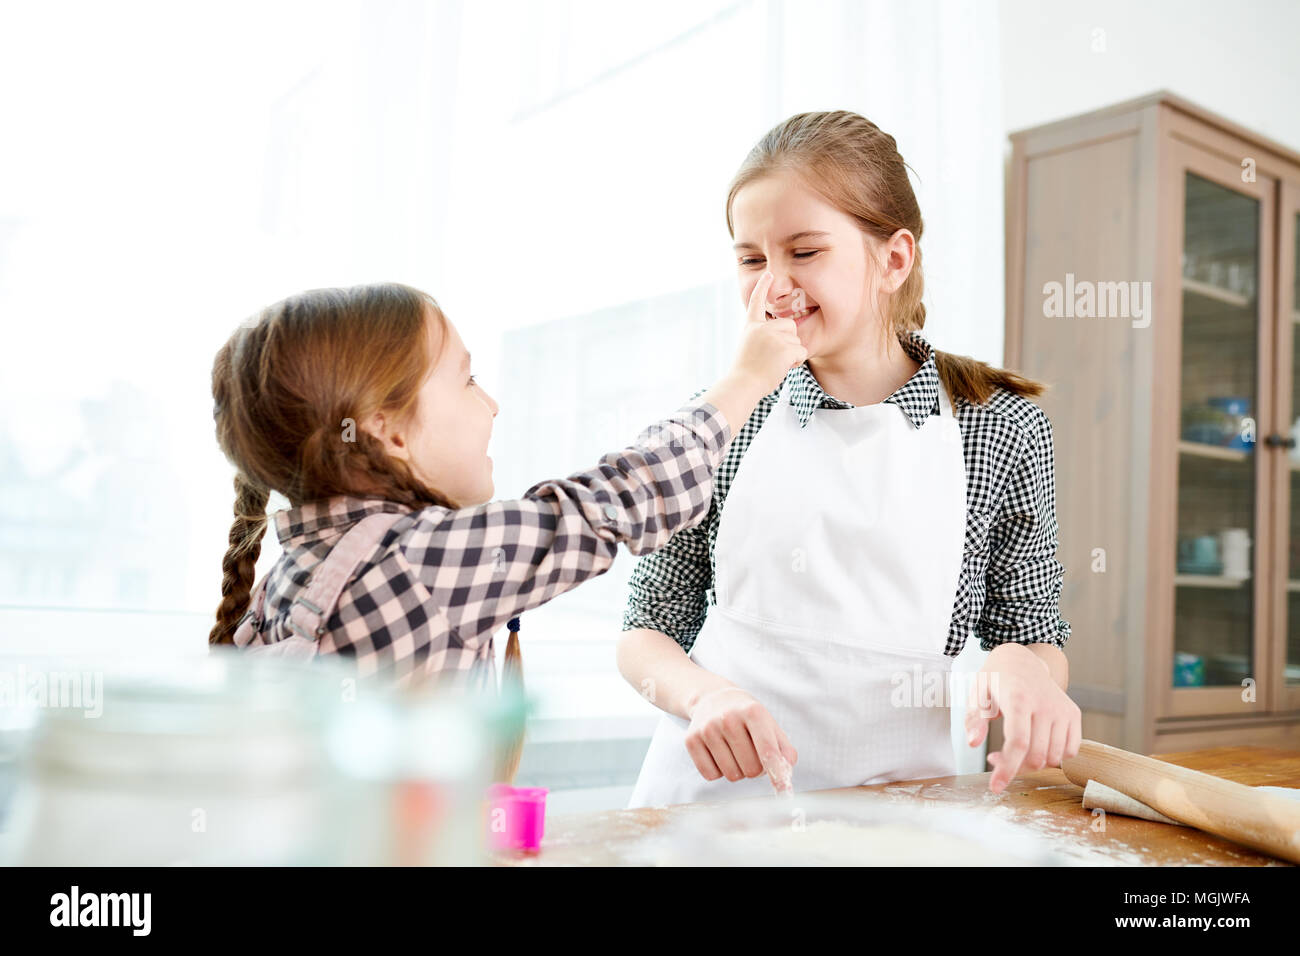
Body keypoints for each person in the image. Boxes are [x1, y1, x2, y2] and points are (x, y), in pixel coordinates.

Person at [619, 111, 1082, 805]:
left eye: (804, 252)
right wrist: (705, 697)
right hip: (710, 811)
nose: (771, 287)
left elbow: (1031, 633)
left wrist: (1024, 670)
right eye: (751, 259)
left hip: (897, 816)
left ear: (894, 259)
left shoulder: (1001, 427)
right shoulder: (724, 417)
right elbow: (645, 632)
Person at [209, 278, 804, 692]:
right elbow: (614, 500)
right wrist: (746, 380)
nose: (491, 405)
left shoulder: (288, 578)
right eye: (468, 381)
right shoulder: (421, 563)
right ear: (386, 431)